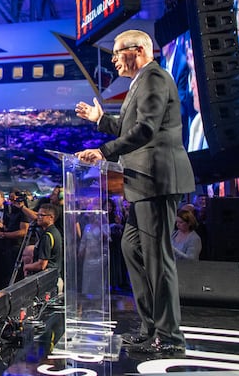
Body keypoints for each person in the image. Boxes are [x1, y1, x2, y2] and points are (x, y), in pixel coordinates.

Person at [75, 29, 194, 355]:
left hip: (157, 180)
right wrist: (101, 120)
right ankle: (151, 328)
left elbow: (145, 130)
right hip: (141, 183)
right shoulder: (139, 84)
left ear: (139, 49)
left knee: (158, 260)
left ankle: (169, 338)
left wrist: (104, 151)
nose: (112, 59)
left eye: (116, 52)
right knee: (132, 249)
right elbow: (130, 128)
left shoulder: (155, 77)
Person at [21, 204, 63, 292]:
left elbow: (42, 264)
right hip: (54, 279)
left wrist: (27, 266)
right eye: (38, 215)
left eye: (42, 215)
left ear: (51, 217)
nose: (38, 217)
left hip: (49, 283)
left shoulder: (48, 236)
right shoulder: (54, 232)